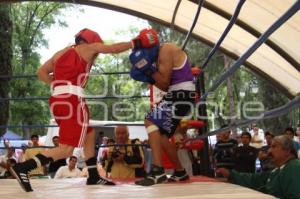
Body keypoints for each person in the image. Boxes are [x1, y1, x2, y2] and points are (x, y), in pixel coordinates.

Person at [10, 28, 158, 192]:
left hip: (57, 100)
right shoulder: (89, 48)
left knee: (89, 133)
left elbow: (41, 72)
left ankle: (93, 175)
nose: (95, 56)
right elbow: (113, 49)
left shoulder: (60, 53)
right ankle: (24, 167)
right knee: (66, 149)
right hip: (73, 100)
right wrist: (136, 42)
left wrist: (58, 84)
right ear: (90, 41)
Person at [129, 31, 199, 186]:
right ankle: (180, 172)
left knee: (149, 120)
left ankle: (158, 171)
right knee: (160, 136)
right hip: (177, 94)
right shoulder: (159, 58)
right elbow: (162, 85)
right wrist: (148, 74)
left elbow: (165, 83)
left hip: (181, 93)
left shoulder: (166, 49)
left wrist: (147, 69)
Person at [216, 135, 300, 199]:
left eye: (274, 147)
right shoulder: (278, 170)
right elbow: (255, 179)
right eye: (270, 147)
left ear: (287, 151)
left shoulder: (294, 168)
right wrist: (231, 174)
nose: (269, 151)